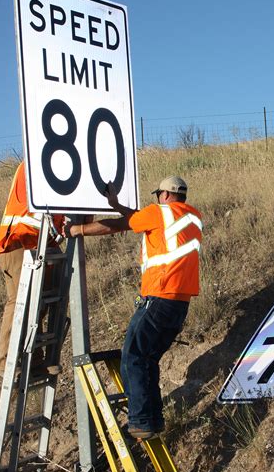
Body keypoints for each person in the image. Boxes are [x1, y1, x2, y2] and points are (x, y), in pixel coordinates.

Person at [63, 175, 203, 439]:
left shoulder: (159, 213)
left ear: (164, 195)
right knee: (148, 358)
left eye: (157, 195)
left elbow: (121, 225)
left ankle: (140, 420)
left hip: (159, 297)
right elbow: (137, 218)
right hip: (179, 304)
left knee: (134, 357)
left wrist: (78, 231)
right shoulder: (192, 217)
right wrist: (116, 203)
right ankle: (153, 420)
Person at [0, 161, 64, 377]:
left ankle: (35, 359)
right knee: (20, 302)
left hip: (41, 244)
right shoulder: (37, 161)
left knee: (39, 303)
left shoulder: (60, 163)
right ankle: (7, 362)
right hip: (18, 242)